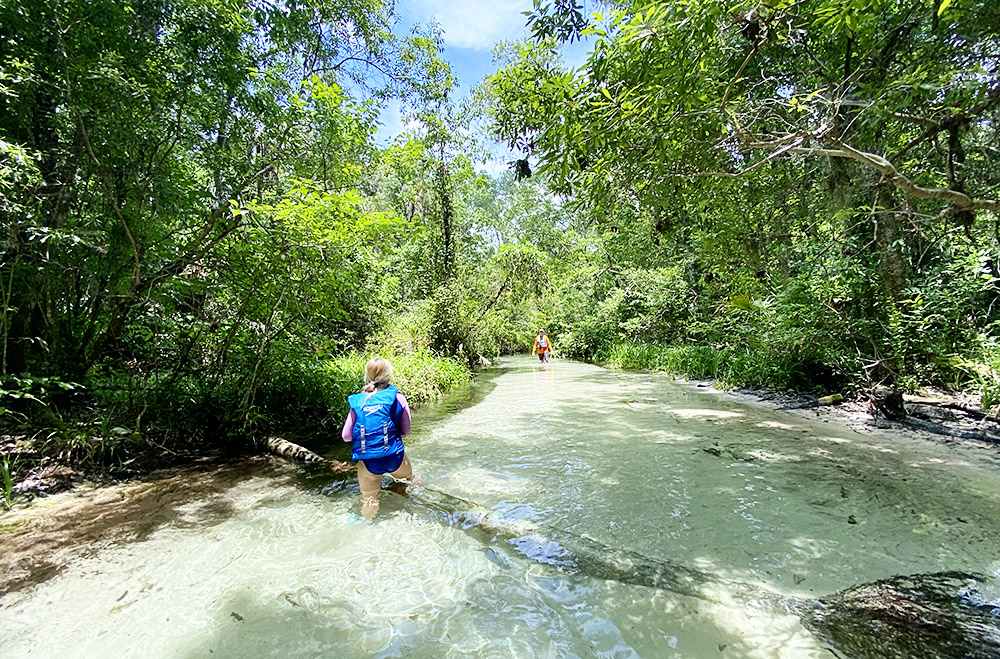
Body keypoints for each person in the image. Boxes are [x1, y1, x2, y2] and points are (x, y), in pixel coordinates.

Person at [341, 357, 418, 519]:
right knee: (410, 480)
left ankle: (367, 524)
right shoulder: (398, 398)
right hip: (395, 459)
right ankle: (410, 509)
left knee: (369, 499)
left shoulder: (359, 401)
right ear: (389, 375)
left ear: (367, 375)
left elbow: (346, 436)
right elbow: (406, 431)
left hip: (369, 463)